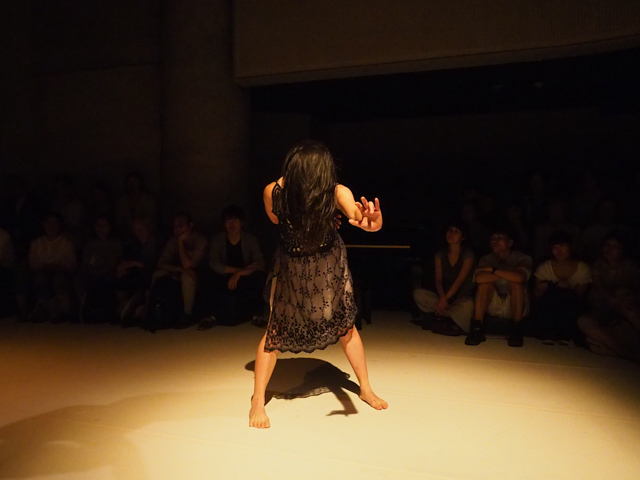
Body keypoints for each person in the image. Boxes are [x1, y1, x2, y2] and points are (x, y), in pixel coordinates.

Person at [249, 141, 387, 429]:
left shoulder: (336, 192)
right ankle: (257, 401)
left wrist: (371, 221)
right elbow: (276, 217)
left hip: (326, 264)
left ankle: (365, 388)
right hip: (291, 266)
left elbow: (359, 218)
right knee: (274, 330)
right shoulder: (274, 190)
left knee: (346, 326)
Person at [577, 232, 640, 363]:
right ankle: (621, 352)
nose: (609, 249)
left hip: (624, 312)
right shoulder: (598, 266)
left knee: (624, 297)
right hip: (602, 311)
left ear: (623, 249)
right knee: (583, 322)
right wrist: (614, 300)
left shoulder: (632, 268)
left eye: (614, 246)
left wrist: (626, 298)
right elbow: (600, 288)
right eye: (607, 245)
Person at [200, 205, 265, 329]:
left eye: (235, 221)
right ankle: (209, 317)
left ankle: (257, 316)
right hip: (225, 275)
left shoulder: (250, 239)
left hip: (245, 276)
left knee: (258, 276)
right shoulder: (218, 239)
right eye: (228, 221)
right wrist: (237, 271)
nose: (232, 224)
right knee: (209, 276)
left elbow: (259, 262)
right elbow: (214, 262)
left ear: (242, 223)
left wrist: (240, 274)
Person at [465, 227, 533, 347]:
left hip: (515, 303)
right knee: (484, 285)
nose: (494, 241)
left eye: (499, 237)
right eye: (492, 238)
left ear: (510, 242)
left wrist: (493, 270)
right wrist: (509, 274)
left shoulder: (523, 258)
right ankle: (476, 329)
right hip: (494, 303)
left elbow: (519, 278)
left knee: (516, 285)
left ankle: (516, 331)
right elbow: (479, 278)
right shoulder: (487, 258)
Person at [413, 220, 475, 335]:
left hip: (460, 298)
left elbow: (459, 281)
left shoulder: (468, 255)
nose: (451, 234)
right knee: (419, 294)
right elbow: (438, 280)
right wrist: (442, 298)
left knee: (468, 305)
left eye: (456, 232)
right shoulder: (440, 254)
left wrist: (444, 299)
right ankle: (446, 316)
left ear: (462, 237)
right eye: (450, 230)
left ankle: (442, 316)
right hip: (443, 297)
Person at [533, 231, 591, 345]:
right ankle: (549, 331)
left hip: (570, 309)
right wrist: (552, 286)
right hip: (547, 309)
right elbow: (536, 294)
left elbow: (579, 296)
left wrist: (564, 288)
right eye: (554, 247)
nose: (558, 251)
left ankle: (565, 333)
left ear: (571, 247)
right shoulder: (545, 267)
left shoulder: (583, 268)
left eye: (562, 246)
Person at [150, 213, 207, 329]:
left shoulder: (200, 240)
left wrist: (180, 243)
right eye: (175, 226)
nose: (178, 229)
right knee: (157, 274)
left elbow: (188, 265)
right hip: (178, 271)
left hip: (199, 274)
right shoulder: (172, 241)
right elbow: (161, 262)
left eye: (181, 225)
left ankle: (187, 314)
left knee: (188, 277)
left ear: (190, 225)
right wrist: (178, 269)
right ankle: (154, 310)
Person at [28, 212, 77, 323]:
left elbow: (71, 264)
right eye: (48, 223)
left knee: (59, 278)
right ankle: (44, 309)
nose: (51, 226)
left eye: (55, 223)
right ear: (43, 225)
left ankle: (63, 310)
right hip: (41, 273)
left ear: (60, 225)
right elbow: (33, 263)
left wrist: (55, 267)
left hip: (61, 273)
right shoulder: (36, 243)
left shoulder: (67, 243)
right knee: (40, 278)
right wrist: (46, 267)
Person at [78, 216, 123, 323]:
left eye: (104, 225)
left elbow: (114, 262)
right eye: (98, 225)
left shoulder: (114, 243)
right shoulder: (90, 243)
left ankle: (106, 312)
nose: (100, 228)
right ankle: (84, 310)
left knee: (104, 280)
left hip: (108, 272)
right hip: (91, 272)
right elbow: (85, 262)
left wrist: (102, 271)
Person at [116, 217, 158, 326]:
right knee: (122, 275)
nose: (139, 233)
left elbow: (155, 264)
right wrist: (123, 265)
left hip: (153, 274)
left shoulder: (157, 242)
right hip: (138, 274)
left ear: (149, 227)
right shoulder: (136, 244)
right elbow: (128, 257)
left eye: (141, 229)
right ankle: (123, 307)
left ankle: (146, 311)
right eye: (135, 230)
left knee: (147, 277)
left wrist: (134, 263)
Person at [115, 172, 157, 238]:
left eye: (135, 181)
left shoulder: (148, 200)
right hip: (126, 234)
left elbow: (152, 218)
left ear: (140, 183)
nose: (132, 184)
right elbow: (119, 220)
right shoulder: (122, 201)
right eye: (130, 181)